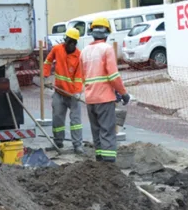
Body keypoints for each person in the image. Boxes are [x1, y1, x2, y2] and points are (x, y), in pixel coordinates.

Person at [79, 17, 129, 162]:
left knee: (97, 132)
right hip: (105, 99)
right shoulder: (106, 49)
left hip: (90, 99)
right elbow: (113, 76)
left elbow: (84, 77)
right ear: (107, 33)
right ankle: (109, 166)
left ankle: (100, 163)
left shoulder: (84, 51)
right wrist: (123, 93)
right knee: (108, 131)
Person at [43, 27, 85, 154]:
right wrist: (46, 77)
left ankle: (77, 145)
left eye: (71, 42)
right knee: (57, 119)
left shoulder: (79, 56)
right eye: (67, 41)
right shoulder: (57, 49)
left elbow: (79, 76)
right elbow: (48, 61)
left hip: (73, 95)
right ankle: (58, 142)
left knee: (76, 121)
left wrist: (77, 92)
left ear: (75, 43)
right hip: (59, 93)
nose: (68, 44)